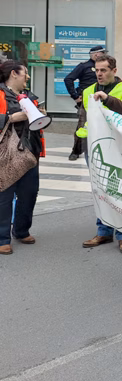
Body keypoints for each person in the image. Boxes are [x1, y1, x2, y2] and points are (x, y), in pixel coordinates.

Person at [79, 55, 122, 254]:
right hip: (95, 147)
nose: (99, 74)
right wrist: (78, 145)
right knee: (99, 189)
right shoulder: (88, 90)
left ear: (114, 70)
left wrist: (108, 99)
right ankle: (103, 231)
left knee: (120, 189)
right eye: (96, 70)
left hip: (118, 148)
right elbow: (83, 119)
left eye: (103, 70)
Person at [0, 61, 45, 255]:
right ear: (13, 74)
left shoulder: (29, 96)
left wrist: (41, 114)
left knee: (29, 193)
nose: (27, 76)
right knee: (4, 196)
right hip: (6, 153)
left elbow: (38, 122)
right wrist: (10, 118)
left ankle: (21, 230)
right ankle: (2, 238)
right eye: (24, 73)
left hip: (29, 152)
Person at [63, 45, 102, 160]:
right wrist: (74, 96)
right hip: (86, 101)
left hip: (101, 100)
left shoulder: (104, 66)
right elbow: (68, 79)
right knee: (82, 125)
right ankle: (76, 151)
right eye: (102, 53)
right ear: (95, 55)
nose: (104, 55)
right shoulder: (84, 66)